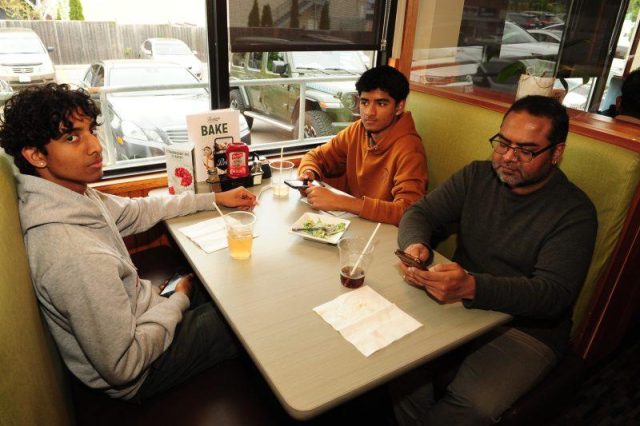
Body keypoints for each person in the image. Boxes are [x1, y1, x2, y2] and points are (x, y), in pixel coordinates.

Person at [0, 83, 257, 401]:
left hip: (145, 318)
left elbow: (141, 210)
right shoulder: (72, 253)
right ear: (36, 155)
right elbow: (123, 365)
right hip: (145, 370)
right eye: (72, 138)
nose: (96, 147)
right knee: (250, 310)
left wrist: (216, 198)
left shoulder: (70, 198)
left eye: (91, 131)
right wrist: (178, 300)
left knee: (231, 282)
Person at [392, 95, 597, 425]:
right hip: (458, 304)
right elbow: (420, 213)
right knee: (397, 360)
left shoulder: (574, 212)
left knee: (474, 404)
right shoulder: (476, 176)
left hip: (528, 328)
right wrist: (415, 244)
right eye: (503, 143)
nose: (508, 158)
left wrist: (472, 287)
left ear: (556, 153)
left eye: (526, 150)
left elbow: (553, 295)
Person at [297, 65, 428, 226]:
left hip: (386, 233)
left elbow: (407, 211)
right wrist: (308, 173)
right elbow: (316, 156)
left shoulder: (410, 148)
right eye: (365, 102)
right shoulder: (358, 129)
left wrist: (341, 202)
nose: (369, 112)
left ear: (399, 107)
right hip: (357, 224)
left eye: (381, 104)